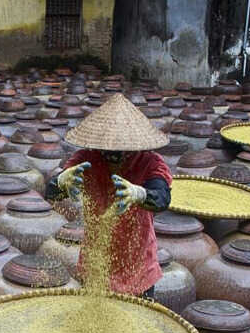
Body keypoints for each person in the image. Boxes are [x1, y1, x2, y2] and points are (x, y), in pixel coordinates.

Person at [53, 93, 172, 298]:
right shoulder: (86, 159)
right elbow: (52, 190)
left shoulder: (151, 163)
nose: (112, 156)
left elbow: (162, 197)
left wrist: (140, 193)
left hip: (138, 266)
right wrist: (60, 182)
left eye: (119, 150)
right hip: (95, 263)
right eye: (107, 149)